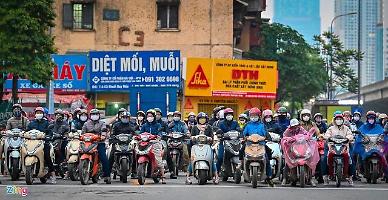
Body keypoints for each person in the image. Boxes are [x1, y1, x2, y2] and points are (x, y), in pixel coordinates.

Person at [243, 107, 274, 187]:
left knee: (267, 158)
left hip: (261, 144)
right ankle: (241, 165)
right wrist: (242, 137)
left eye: (255, 116)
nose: (254, 117)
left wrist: (268, 138)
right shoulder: (247, 125)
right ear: (249, 116)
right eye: (252, 116)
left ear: (259, 116)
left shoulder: (262, 125)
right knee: (241, 151)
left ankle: (269, 176)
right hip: (249, 144)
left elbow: (266, 134)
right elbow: (243, 133)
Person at [186, 112, 219, 184]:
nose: (202, 120)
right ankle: (188, 177)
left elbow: (212, 136)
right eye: (200, 119)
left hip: (207, 146)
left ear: (206, 119)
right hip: (196, 146)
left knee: (211, 160)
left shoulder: (209, 127)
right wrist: (192, 137)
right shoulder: (195, 127)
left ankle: (216, 176)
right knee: (192, 160)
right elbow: (191, 136)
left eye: (203, 119)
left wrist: (211, 138)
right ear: (197, 119)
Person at [322, 113, 354, 186]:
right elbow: (327, 135)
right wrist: (327, 137)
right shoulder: (331, 128)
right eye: (337, 119)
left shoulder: (346, 128)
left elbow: (350, 135)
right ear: (334, 120)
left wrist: (348, 138)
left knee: (350, 159)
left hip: (344, 146)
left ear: (343, 120)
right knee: (324, 159)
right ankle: (325, 177)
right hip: (332, 146)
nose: (338, 120)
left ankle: (350, 177)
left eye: (340, 119)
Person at [281, 119, 315, 186]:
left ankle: (310, 179)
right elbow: (284, 137)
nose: (295, 127)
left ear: (299, 125)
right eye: (293, 126)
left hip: (302, 147)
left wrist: (308, 137)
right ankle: (284, 178)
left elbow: (307, 134)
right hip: (291, 148)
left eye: (296, 125)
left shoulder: (301, 129)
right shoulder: (288, 131)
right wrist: (288, 139)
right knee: (287, 161)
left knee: (309, 159)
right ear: (291, 126)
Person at [81, 109, 111, 184]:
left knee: (104, 158)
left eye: (96, 114)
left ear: (99, 115)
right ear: (90, 116)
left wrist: (103, 136)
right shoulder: (86, 124)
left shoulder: (102, 123)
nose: (94, 116)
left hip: (99, 143)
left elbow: (104, 130)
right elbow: (82, 133)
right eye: (93, 114)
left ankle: (107, 176)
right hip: (87, 143)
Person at [27, 107, 55, 183]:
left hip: (44, 142)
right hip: (32, 143)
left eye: (40, 113)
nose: (39, 114)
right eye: (37, 113)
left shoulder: (46, 123)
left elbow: (50, 132)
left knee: (47, 156)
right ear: (35, 114)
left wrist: (48, 136)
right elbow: (27, 131)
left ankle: (52, 174)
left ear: (43, 114)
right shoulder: (31, 123)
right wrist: (23, 134)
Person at [216, 108, 239, 174]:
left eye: (230, 114)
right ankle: (216, 172)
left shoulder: (235, 123)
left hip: (235, 142)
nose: (229, 116)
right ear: (225, 115)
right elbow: (218, 130)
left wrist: (240, 130)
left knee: (241, 154)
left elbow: (238, 129)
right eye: (228, 115)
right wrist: (219, 132)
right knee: (220, 157)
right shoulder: (221, 123)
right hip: (223, 142)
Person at [167, 111, 190, 179]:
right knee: (165, 151)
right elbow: (167, 130)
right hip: (171, 140)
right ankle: (164, 166)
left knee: (185, 153)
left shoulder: (183, 124)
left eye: (178, 116)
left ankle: (186, 169)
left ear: (180, 117)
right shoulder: (170, 124)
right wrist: (168, 133)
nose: (176, 117)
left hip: (181, 140)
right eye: (175, 115)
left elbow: (186, 130)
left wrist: (187, 134)